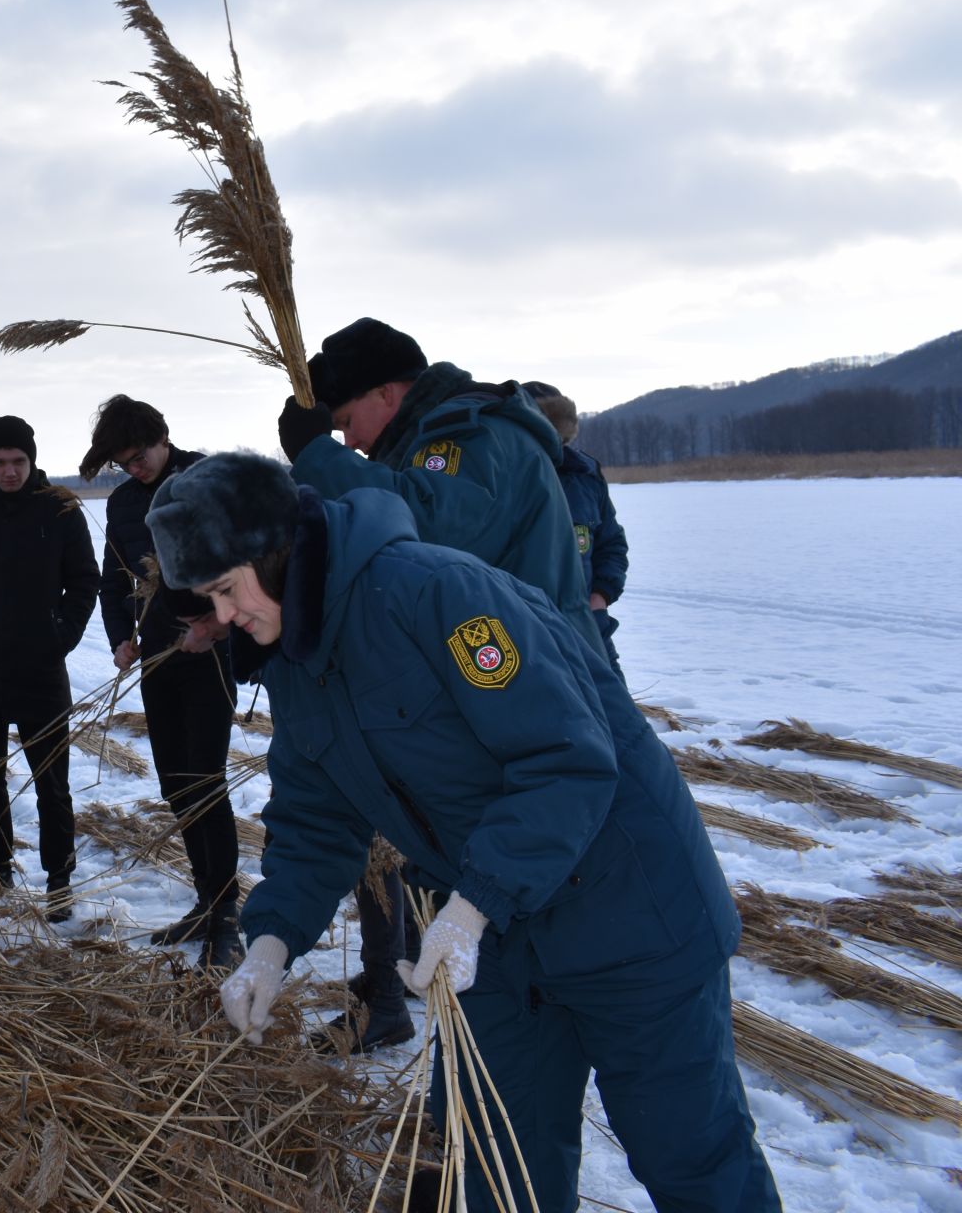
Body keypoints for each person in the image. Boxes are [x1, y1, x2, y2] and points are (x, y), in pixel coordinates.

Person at [143, 453, 778, 1213]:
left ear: (275, 548)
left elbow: (566, 760)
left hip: (629, 913)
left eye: (224, 588)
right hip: (498, 939)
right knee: (492, 1164)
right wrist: (272, 943)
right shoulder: (296, 658)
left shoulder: (436, 594)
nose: (221, 615)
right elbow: (314, 816)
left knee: (693, 1158)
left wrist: (473, 904)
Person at [276, 317, 602, 1052]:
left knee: (535, 911)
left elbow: (429, 531)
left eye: (349, 421)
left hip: (539, 704)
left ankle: (541, 1036)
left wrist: (318, 458)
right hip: (476, 715)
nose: (351, 441)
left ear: (388, 393)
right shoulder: (419, 447)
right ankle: (479, 1085)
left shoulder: (475, 438)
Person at [81, 395, 241, 968]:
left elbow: (245, 565)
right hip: (157, 657)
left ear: (162, 436)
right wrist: (122, 635)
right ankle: (206, 900)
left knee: (205, 781)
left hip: (211, 654)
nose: (135, 468)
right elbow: (114, 579)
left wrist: (218, 627)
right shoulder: (123, 502)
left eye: (140, 454)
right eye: (124, 462)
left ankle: (226, 917)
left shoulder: (206, 480)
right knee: (176, 784)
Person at [0, 416, 99, 918]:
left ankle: (60, 879)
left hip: (41, 671)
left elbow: (85, 581)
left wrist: (60, 637)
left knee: (52, 782)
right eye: (0, 462)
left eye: (18, 462)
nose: (10, 471)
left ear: (32, 460)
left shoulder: (60, 510)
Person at [526, 382, 629, 679]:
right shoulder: (502, 475)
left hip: (589, 626)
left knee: (618, 717)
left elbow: (611, 544)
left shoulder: (585, 474)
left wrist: (600, 597)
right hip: (526, 629)